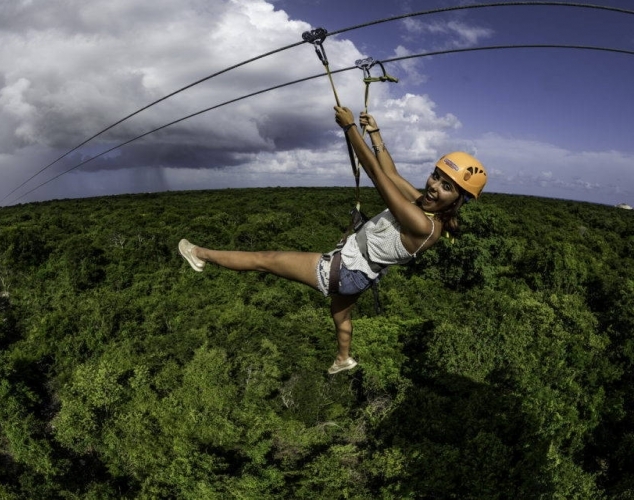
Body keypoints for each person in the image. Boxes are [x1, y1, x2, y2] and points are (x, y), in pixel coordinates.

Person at [179, 106, 487, 374]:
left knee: (266, 260)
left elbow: (377, 176)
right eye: (436, 176)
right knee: (340, 316)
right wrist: (375, 133)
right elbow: (392, 175)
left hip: (344, 271)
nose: (434, 186)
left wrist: (350, 127)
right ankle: (343, 358)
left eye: (446, 187)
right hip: (361, 277)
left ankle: (200, 254)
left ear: (458, 200)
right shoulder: (427, 208)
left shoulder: (422, 224)